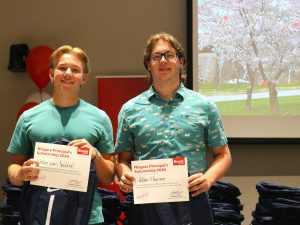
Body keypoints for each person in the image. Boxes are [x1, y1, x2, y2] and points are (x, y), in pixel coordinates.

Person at [114, 32, 232, 225]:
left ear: (181, 62)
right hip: (146, 204)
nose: (163, 61)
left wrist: (208, 179)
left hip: (193, 199)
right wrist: (124, 173)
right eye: (156, 56)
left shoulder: (204, 106)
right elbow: (122, 160)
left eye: (169, 55)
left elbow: (224, 155)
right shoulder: (130, 110)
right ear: (148, 65)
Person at [7, 45, 115, 225]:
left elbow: (108, 177)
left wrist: (95, 154)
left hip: (88, 217)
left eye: (75, 70)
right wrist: (21, 174)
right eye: (62, 68)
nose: (68, 73)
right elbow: (13, 169)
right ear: (51, 74)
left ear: (84, 78)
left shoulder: (100, 118)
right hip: (40, 214)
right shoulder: (28, 118)